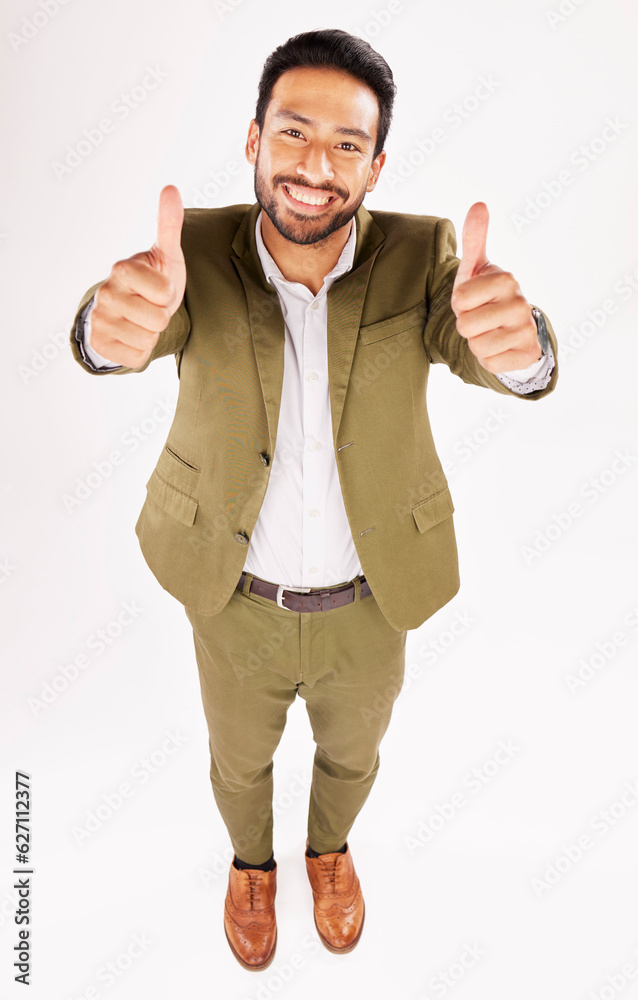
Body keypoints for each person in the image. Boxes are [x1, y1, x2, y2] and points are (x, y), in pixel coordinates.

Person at [68, 28, 558, 972]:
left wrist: (521, 348)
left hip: (370, 602)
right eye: (294, 133)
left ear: (376, 166)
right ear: (253, 140)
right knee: (238, 760)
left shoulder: (422, 257)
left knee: (353, 757)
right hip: (233, 594)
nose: (315, 167)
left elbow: (486, 342)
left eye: (346, 145)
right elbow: (131, 319)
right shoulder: (197, 251)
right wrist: (103, 328)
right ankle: (252, 865)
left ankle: (327, 853)